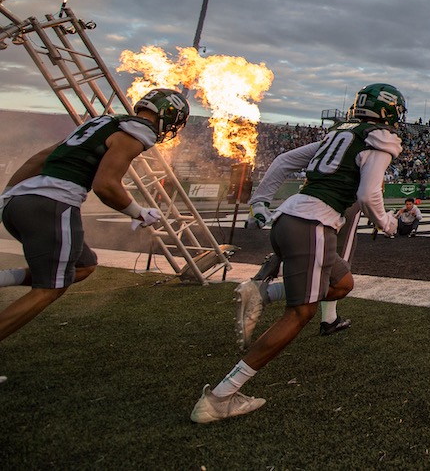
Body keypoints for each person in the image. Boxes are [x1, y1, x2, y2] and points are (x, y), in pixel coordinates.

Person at [192, 83, 405, 424]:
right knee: (300, 313)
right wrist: (388, 224)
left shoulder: (340, 134)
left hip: (288, 219)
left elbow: (283, 161)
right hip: (314, 225)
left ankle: (264, 291)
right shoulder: (378, 138)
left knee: (342, 283)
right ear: (389, 112)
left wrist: (259, 200)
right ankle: (221, 396)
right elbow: (367, 193)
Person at [0, 89, 189, 348]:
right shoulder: (137, 131)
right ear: (168, 114)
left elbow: (42, 157)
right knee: (50, 288)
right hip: (53, 204)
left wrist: (8, 195)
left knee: (83, 266)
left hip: (20, 202)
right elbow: (106, 186)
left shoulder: (101, 123)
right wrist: (139, 212)